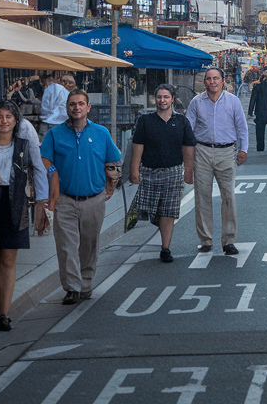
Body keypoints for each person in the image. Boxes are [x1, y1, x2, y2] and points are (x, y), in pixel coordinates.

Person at [0, 101, 48, 331]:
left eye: (9, 116)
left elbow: (38, 170)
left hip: (14, 203)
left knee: (8, 260)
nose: (4, 121)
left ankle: (4, 312)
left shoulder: (23, 145)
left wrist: (42, 203)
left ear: (16, 120)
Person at [41, 88, 122, 305]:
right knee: (67, 246)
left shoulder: (101, 133)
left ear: (88, 108)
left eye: (80, 104)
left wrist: (110, 184)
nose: (76, 108)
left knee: (89, 244)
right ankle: (72, 288)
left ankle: (86, 284)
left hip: (93, 199)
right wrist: (52, 176)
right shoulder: (55, 134)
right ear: (67, 108)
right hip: (65, 200)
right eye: (72, 104)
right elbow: (44, 160)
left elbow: (113, 160)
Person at [129, 84, 196, 263]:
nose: (162, 100)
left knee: (168, 211)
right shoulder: (145, 121)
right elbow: (137, 148)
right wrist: (134, 170)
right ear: (154, 99)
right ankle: (159, 221)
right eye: (159, 97)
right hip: (149, 171)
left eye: (166, 97)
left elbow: (188, 149)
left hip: (173, 171)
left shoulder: (181, 121)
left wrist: (188, 172)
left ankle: (165, 248)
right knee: (151, 212)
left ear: (172, 99)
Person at [186, 67, 249, 255]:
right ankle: (206, 240)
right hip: (202, 150)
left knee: (228, 196)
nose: (212, 82)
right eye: (209, 79)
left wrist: (243, 149)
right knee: (202, 197)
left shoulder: (233, 101)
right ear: (204, 82)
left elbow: (242, 127)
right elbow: (188, 130)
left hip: (226, 152)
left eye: (216, 78)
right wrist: (187, 160)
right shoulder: (196, 102)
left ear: (223, 81)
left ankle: (228, 240)